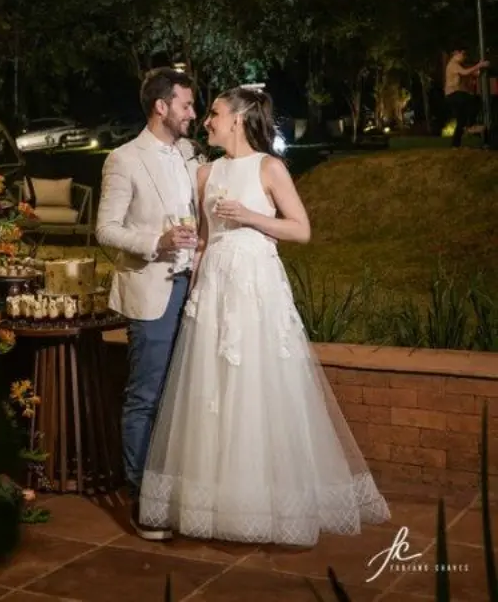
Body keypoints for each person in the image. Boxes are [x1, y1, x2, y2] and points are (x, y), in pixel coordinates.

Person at [138, 86, 390, 546]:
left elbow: (301, 229)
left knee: (259, 386)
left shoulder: (269, 167)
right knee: (212, 392)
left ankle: (268, 500)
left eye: (214, 113)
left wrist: (250, 216)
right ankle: (215, 503)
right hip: (215, 290)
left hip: (257, 289)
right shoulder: (206, 173)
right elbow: (205, 240)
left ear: (237, 118)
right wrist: (193, 294)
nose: (206, 121)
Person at [95, 67, 200, 539]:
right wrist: (156, 242)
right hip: (153, 291)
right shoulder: (123, 159)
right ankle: (142, 499)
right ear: (162, 106)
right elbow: (105, 229)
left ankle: (174, 490)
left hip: (193, 288)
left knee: (183, 396)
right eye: (186, 105)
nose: (192, 113)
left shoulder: (189, 154)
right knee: (146, 397)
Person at [444, 50, 489, 147]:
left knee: (461, 120)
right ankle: (471, 124)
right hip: (453, 94)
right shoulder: (453, 64)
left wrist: (478, 70)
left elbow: (471, 73)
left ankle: (455, 144)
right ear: (455, 53)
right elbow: (465, 72)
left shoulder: (459, 65)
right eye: (462, 54)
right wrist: (479, 65)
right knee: (474, 100)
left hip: (455, 95)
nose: (464, 57)